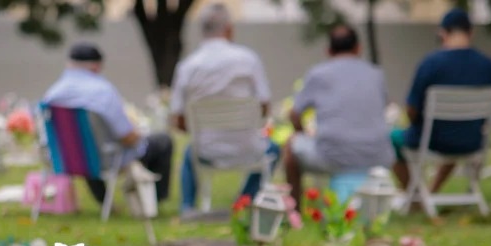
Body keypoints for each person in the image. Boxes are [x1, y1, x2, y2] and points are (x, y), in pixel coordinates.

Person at [169, 2, 277, 213]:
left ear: (202, 30)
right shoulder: (248, 59)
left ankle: (187, 206)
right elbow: (264, 106)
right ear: (229, 28)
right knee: (273, 149)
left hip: (206, 149)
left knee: (190, 151)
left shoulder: (188, 66)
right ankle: (244, 201)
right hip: (249, 147)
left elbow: (178, 119)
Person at [392, 8, 491, 193]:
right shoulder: (488, 65)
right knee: (456, 133)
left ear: (442, 33)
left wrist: (416, 121)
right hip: (472, 140)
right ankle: (432, 191)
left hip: (434, 139)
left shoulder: (430, 63)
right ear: (471, 32)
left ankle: (415, 197)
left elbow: (411, 109)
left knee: (391, 137)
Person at [43, 43, 173, 205]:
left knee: (86, 146)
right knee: (162, 141)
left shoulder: (52, 94)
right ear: (97, 66)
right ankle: (155, 200)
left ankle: (104, 201)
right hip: (106, 159)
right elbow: (127, 137)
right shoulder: (102, 91)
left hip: (65, 158)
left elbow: (45, 137)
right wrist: (139, 133)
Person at [283, 24, 393, 210]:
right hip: (378, 156)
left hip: (333, 157)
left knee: (289, 147)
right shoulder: (376, 74)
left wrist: (303, 133)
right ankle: (414, 201)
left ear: (328, 50)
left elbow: (295, 114)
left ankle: (296, 211)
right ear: (358, 48)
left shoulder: (318, 74)